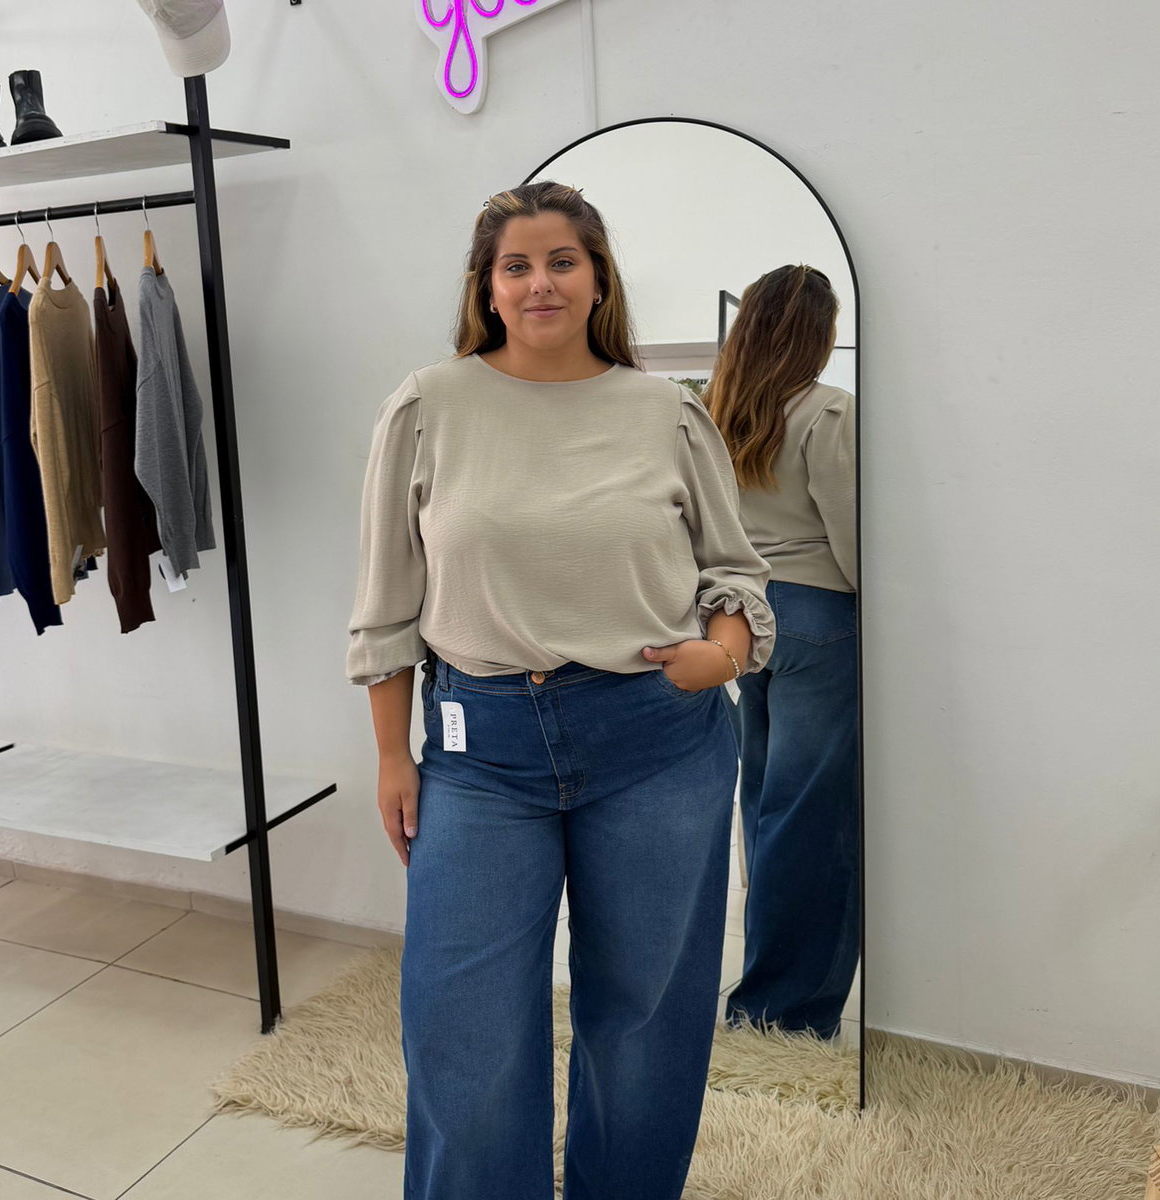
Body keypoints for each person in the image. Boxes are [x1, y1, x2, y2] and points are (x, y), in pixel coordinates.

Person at [347, 181, 774, 1200]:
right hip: (480, 749)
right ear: (488, 288)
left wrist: (723, 654)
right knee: (464, 1032)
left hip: (658, 738)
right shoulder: (429, 406)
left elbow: (736, 574)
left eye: (562, 261)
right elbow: (386, 601)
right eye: (517, 265)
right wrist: (392, 754)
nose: (540, 282)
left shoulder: (666, 412)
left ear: (598, 280)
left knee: (645, 1019)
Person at [706, 264, 858, 1041]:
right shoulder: (829, 411)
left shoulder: (719, 413)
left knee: (765, 805)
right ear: (818, 335)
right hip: (819, 619)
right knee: (813, 819)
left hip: (748, 621)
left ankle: (761, 993)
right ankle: (785, 1011)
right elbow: (855, 536)